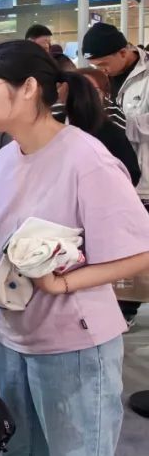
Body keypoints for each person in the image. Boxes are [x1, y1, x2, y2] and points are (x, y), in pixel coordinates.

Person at [0, 40, 149, 456]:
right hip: (14, 339)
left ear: (28, 89)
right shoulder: (5, 159)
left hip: (75, 346)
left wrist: (64, 283)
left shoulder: (86, 160)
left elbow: (139, 253)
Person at [82, 21, 149, 324]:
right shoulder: (99, 80)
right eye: (96, 65)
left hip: (144, 175)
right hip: (115, 177)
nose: (102, 70)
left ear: (124, 52)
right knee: (124, 245)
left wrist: (120, 122)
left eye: (104, 64)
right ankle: (125, 308)